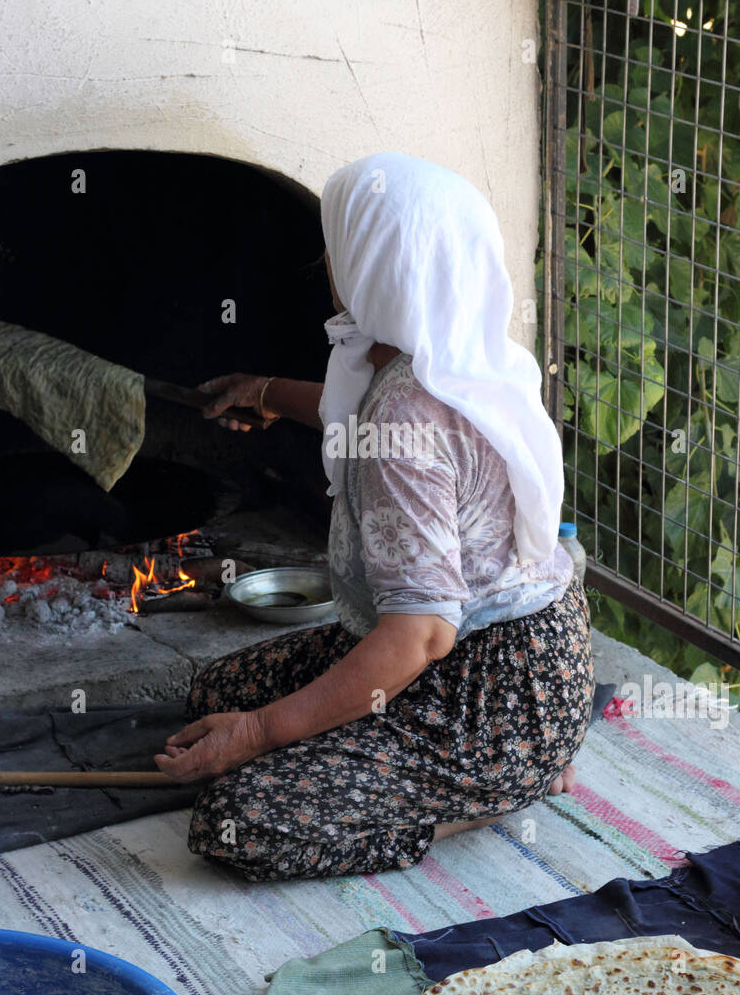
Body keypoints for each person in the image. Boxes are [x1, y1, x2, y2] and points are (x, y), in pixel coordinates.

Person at [154, 152, 594, 881]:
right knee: (214, 695)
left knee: (238, 817)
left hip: (487, 697)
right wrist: (263, 391)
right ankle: (517, 764)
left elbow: (422, 634)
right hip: (541, 660)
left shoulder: (404, 417)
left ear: (376, 264)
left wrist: (263, 734)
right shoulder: (458, 348)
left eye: (338, 243)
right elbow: (348, 409)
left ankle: (482, 800)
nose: (328, 258)